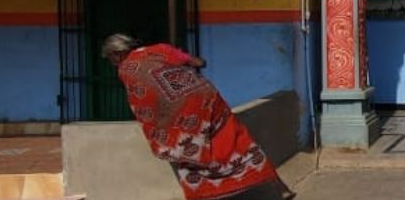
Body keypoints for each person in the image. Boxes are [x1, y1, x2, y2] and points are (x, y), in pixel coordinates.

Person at [102, 34, 294, 200]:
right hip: (207, 96)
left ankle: (206, 193)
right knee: (235, 137)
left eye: (110, 59)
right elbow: (197, 62)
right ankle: (275, 187)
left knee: (187, 153)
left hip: (183, 112)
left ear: (117, 54)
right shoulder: (159, 48)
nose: (112, 63)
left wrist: (159, 129)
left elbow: (142, 102)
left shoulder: (126, 68)